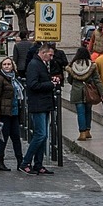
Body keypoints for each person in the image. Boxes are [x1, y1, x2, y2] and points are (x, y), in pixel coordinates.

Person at [19, 44, 60, 176]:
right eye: (50, 55)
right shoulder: (34, 64)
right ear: (43, 53)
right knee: (40, 134)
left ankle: (38, 164)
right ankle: (25, 162)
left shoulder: (41, 64)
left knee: (44, 136)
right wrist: (50, 84)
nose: (52, 57)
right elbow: (33, 84)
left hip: (44, 104)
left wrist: (50, 80)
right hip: (38, 105)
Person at [0, 56, 23, 172]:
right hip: (4, 113)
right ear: (1, 66)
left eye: (9, 64)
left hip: (14, 112)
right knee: (3, 138)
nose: (7, 66)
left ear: (13, 66)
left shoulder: (13, 79)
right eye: (5, 64)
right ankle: (0, 162)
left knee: (16, 138)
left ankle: (20, 162)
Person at [65, 45, 103, 141]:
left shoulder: (72, 66)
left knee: (80, 113)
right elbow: (97, 80)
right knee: (88, 111)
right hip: (88, 91)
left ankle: (82, 133)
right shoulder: (91, 65)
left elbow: (69, 79)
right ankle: (87, 131)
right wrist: (101, 92)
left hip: (77, 91)